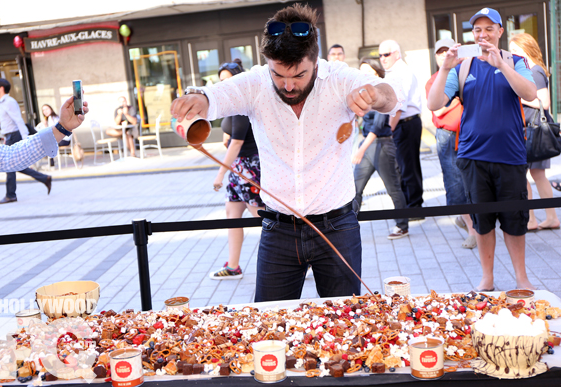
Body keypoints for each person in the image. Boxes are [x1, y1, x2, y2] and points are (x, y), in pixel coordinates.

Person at [171, 3, 401, 302]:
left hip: (337, 228)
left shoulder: (338, 78)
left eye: (299, 75)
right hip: (278, 230)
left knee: (344, 321)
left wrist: (374, 95)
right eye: (278, 75)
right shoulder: (255, 82)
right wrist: (197, 99)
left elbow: (390, 97)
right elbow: (213, 96)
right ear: (268, 62)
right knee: (269, 324)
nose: (289, 85)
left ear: (315, 61)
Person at [427, 8, 537, 291]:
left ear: (500, 31)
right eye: (477, 30)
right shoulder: (463, 67)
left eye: (489, 28)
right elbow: (433, 103)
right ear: (472, 34)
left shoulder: (517, 61)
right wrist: (444, 68)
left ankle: (520, 277)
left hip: (510, 156)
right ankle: (487, 277)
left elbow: (530, 93)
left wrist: (502, 66)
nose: (483, 34)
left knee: (515, 220)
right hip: (473, 157)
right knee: (482, 222)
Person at [209, 59, 265, 280]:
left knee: (261, 217)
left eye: (227, 80)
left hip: (249, 166)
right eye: (220, 81)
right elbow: (233, 135)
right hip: (238, 168)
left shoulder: (242, 105)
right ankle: (233, 266)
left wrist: (220, 173)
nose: (223, 84)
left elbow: (238, 143)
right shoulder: (231, 105)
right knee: (232, 214)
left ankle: (297, 258)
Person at [425, 38, 477, 249]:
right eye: (440, 52)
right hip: (447, 136)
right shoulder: (435, 80)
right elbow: (436, 110)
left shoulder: (467, 73)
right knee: (456, 183)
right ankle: (472, 229)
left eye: (448, 50)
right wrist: (453, 102)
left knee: (473, 183)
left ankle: (471, 222)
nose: (444, 55)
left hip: (471, 135)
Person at [353, 57, 409, 240]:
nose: (364, 74)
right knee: (355, 188)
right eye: (361, 70)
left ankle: (402, 226)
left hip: (382, 145)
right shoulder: (363, 93)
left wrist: (361, 149)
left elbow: (378, 126)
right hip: (369, 144)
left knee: (393, 187)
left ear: (377, 73)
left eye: (368, 71)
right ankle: (349, 225)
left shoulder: (382, 91)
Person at [510, 33, 561, 231]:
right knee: (536, 175)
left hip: (533, 131)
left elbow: (544, 103)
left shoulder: (535, 71)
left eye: (516, 50)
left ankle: (534, 219)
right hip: (530, 130)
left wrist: (518, 95)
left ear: (526, 49)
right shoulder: (530, 70)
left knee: (527, 175)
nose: (513, 54)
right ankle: (548, 217)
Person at [378, 40, 424, 218]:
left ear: (397, 53)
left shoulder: (401, 73)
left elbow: (397, 107)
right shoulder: (393, 72)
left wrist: (388, 130)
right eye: (380, 55)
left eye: (386, 54)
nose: (383, 58)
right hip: (403, 124)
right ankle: (410, 206)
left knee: (407, 167)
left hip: (405, 124)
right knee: (403, 166)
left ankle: (415, 208)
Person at [0, 78, 52, 204]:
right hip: (10, 136)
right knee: (13, 165)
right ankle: (43, 178)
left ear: (1, 88)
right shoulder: (3, 102)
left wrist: (26, 139)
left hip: (14, 136)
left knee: (9, 165)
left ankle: (11, 195)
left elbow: (18, 120)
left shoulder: (9, 102)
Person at [0, 96, 88, 173]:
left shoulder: (54, 118)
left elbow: (10, 157)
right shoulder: (45, 120)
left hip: (62, 139)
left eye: (46, 109)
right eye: (43, 110)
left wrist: (62, 127)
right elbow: (9, 157)